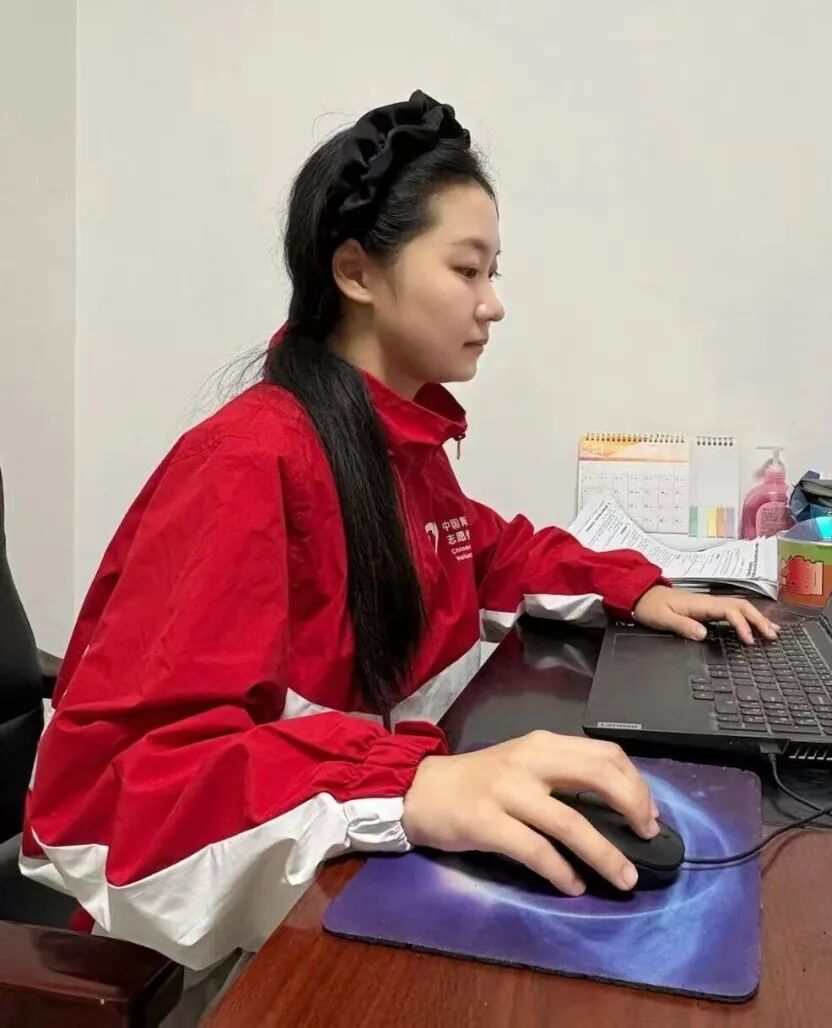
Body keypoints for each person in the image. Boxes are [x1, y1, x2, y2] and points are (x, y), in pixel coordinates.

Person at [21, 92, 776, 980]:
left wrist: (633, 587)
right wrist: (404, 782)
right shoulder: (245, 464)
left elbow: (485, 551)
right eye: (467, 270)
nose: (493, 305)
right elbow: (111, 795)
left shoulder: (398, 444)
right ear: (356, 273)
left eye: (494, 272)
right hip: (208, 955)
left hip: (330, 882)